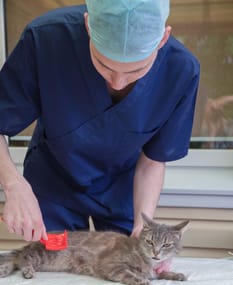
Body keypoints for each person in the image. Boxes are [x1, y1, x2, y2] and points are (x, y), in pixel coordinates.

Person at [0, 0, 200, 242]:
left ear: (163, 39)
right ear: (87, 26)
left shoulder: (180, 71)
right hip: (53, 185)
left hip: (123, 190)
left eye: (136, 71)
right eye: (104, 66)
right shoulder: (45, 40)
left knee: (120, 266)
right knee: (55, 262)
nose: (118, 83)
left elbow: (152, 161)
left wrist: (142, 223)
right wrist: (13, 184)